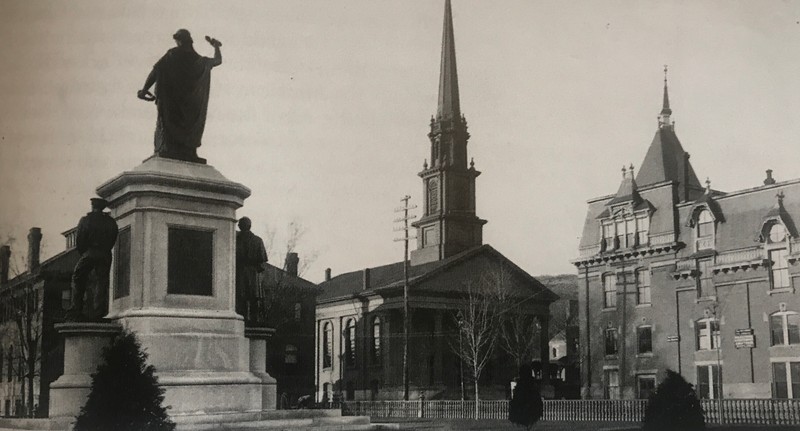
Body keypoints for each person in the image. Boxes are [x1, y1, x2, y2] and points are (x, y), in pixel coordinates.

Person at [138, 29, 222, 163]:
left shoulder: (172, 55)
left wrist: (144, 90)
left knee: (168, 127)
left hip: (172, 104)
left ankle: (170, 148)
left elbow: (156, 70)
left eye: (177, 40)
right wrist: (216, 46)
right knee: (187, 128)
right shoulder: (199, 61)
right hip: (191, 108)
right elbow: (217, 61)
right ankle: (188, 151)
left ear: (181, 41)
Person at [68, 198, 118, 321]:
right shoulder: (110, 222)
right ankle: (98, 313)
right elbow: (113, 238)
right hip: (105, 254)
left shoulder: (86, 220)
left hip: (90, 252)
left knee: (78, 277)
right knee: (101, 282)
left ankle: (76, 309)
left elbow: (79, 240)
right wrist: (105, 250)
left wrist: (86, 252)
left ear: (92, 206)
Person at [235, 217, 268, 325]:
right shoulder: (257, 240)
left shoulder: (236, 239)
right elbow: (262, 259)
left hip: (244, 272)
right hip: (251, 272)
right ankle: (252, 320)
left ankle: (247, 319)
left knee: (244, 297)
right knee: (251, 297)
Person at [508, 364, 544, 430]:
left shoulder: (520, 387)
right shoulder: (533, 386)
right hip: (532, 416)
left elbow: (515, 402)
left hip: (521, 416)